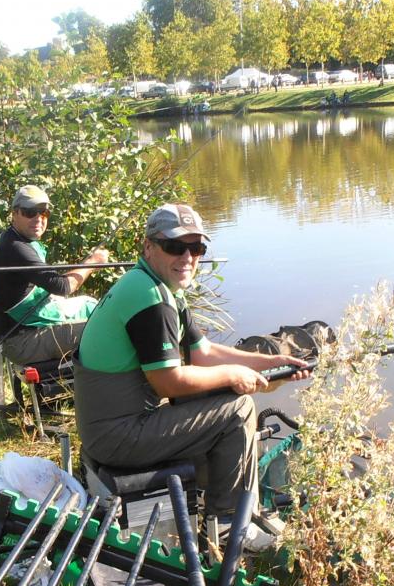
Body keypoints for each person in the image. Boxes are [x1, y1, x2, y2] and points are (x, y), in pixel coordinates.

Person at [74, 204, 310, 523]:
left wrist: (270, 362)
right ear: (149, 247)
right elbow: (168, 383)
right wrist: (233, 375)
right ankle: (229, 522)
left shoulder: (155, 286)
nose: (187, 257)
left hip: (114, 425)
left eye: (196, 247)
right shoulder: (150, 298)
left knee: (217, 391)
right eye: (175, 246)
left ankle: (212, 493)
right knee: (238, 410)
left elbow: (203, 353)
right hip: (116, 437)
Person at [0, 185, 109, 366]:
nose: (38, 218)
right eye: (30, 212)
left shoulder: (18, 240)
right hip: (22, 342)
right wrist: (93, 262)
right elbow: (63, 287)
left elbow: (53, 282)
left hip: (28, 332)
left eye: (43, 212)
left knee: (91, 305)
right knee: (106, 329)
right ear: (15, 214)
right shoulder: (16, 247)